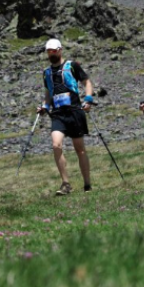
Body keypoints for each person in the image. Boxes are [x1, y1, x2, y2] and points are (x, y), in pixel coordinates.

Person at [36, 39, 93, 196]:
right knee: (56, 145)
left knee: (79, 149)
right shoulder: (46, 72)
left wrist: (88, 99)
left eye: (54, 51)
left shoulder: (72, 66)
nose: (51, 54)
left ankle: (87, 184)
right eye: (49, 51)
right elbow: (48, 93)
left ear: (60, 50)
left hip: (75, 111)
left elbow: (87, 82)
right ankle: (66, 183)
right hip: (58, 114)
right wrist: (44, 107)